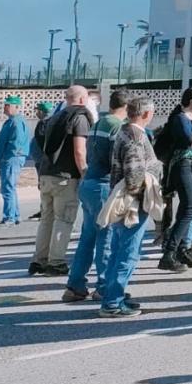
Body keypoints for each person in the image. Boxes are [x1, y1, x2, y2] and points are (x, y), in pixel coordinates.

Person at [97, 97, 162, 318]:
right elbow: (134, 174)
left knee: (118, 250)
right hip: (133, 202)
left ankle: (112, 294)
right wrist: (146, 188)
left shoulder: (124, 131)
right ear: (146, 114)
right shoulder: (135, 136)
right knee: (128, 253)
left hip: (126, 199)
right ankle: (112, 302)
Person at [63, 91, 128, 302]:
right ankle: (103, 285)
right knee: (106, 237)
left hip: (89, 183)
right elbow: (116, 160)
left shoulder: (98, 123)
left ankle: (75, 285)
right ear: (126, 107)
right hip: (103, 185)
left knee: (88, 237)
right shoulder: (117, 127)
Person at [33, 85, 92, 277]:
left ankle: (39, 260)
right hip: (65, 176)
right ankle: (56, 262)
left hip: (46, 173)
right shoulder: (80, 118)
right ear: (82, 99)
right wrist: (84, 174)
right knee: (64, 220)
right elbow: (79, 150)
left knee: (46, 219)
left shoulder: (55, 117)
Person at [158, 88, 192, 273]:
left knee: (187, 209)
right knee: (190, 208)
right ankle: (169, 252)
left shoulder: (188, 118)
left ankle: (181, 249)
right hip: (181, 166)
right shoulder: (180, 118)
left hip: (190, 165)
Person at [0, 96, 32, 225]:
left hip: (11, 158)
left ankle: (9, 217)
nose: (5, 107)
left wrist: (6, 156)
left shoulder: (16, 122)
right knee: (10, 187)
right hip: (10, 157)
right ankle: (15, 215)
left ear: (16, 107)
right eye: (5, 105)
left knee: (8, 188)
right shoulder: (12, 121)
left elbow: (16, 143)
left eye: (8, 105)